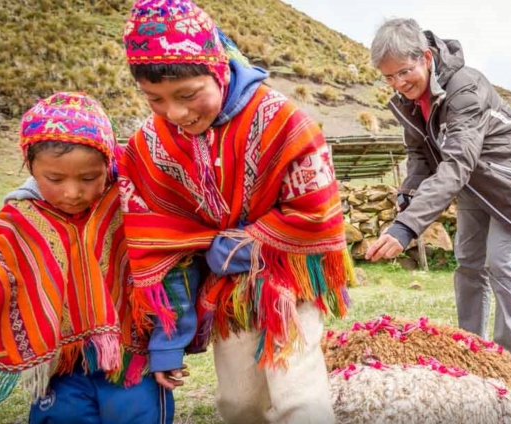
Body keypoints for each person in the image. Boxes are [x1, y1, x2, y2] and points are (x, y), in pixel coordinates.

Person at [119, 1, 353, 423]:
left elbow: (315, 212)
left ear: (219, 68)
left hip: (288, 282)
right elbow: (160, 246)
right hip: (228, 294)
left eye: (188, 95)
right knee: (238, 403)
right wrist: (168, 342)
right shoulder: (152, 147)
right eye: (155, 99)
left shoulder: (281, 121)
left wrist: (237, 244)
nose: (175, 112)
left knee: (300, 397)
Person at [364, 18, 511, 365]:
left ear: (426, 57)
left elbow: (457, 162)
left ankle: (510, 365)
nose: (398, 83)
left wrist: (407, 226)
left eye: (404, 72)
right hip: (471, 183)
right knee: (467, 263)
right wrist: (409, 193)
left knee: (499, 262)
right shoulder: (408, 100)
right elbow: (419, 154)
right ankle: (469, 352)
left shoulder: (464, 88)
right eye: (388, 77)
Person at [0, 92, 173, 423]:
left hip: (133, 361)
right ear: (30, 166)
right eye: (54, 179)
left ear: (108, 164)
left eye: (89, 178)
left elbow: (169, 266)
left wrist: (168, 347)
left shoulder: (126, 204)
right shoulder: (19, 219)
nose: (72, 192)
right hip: (62, 366)